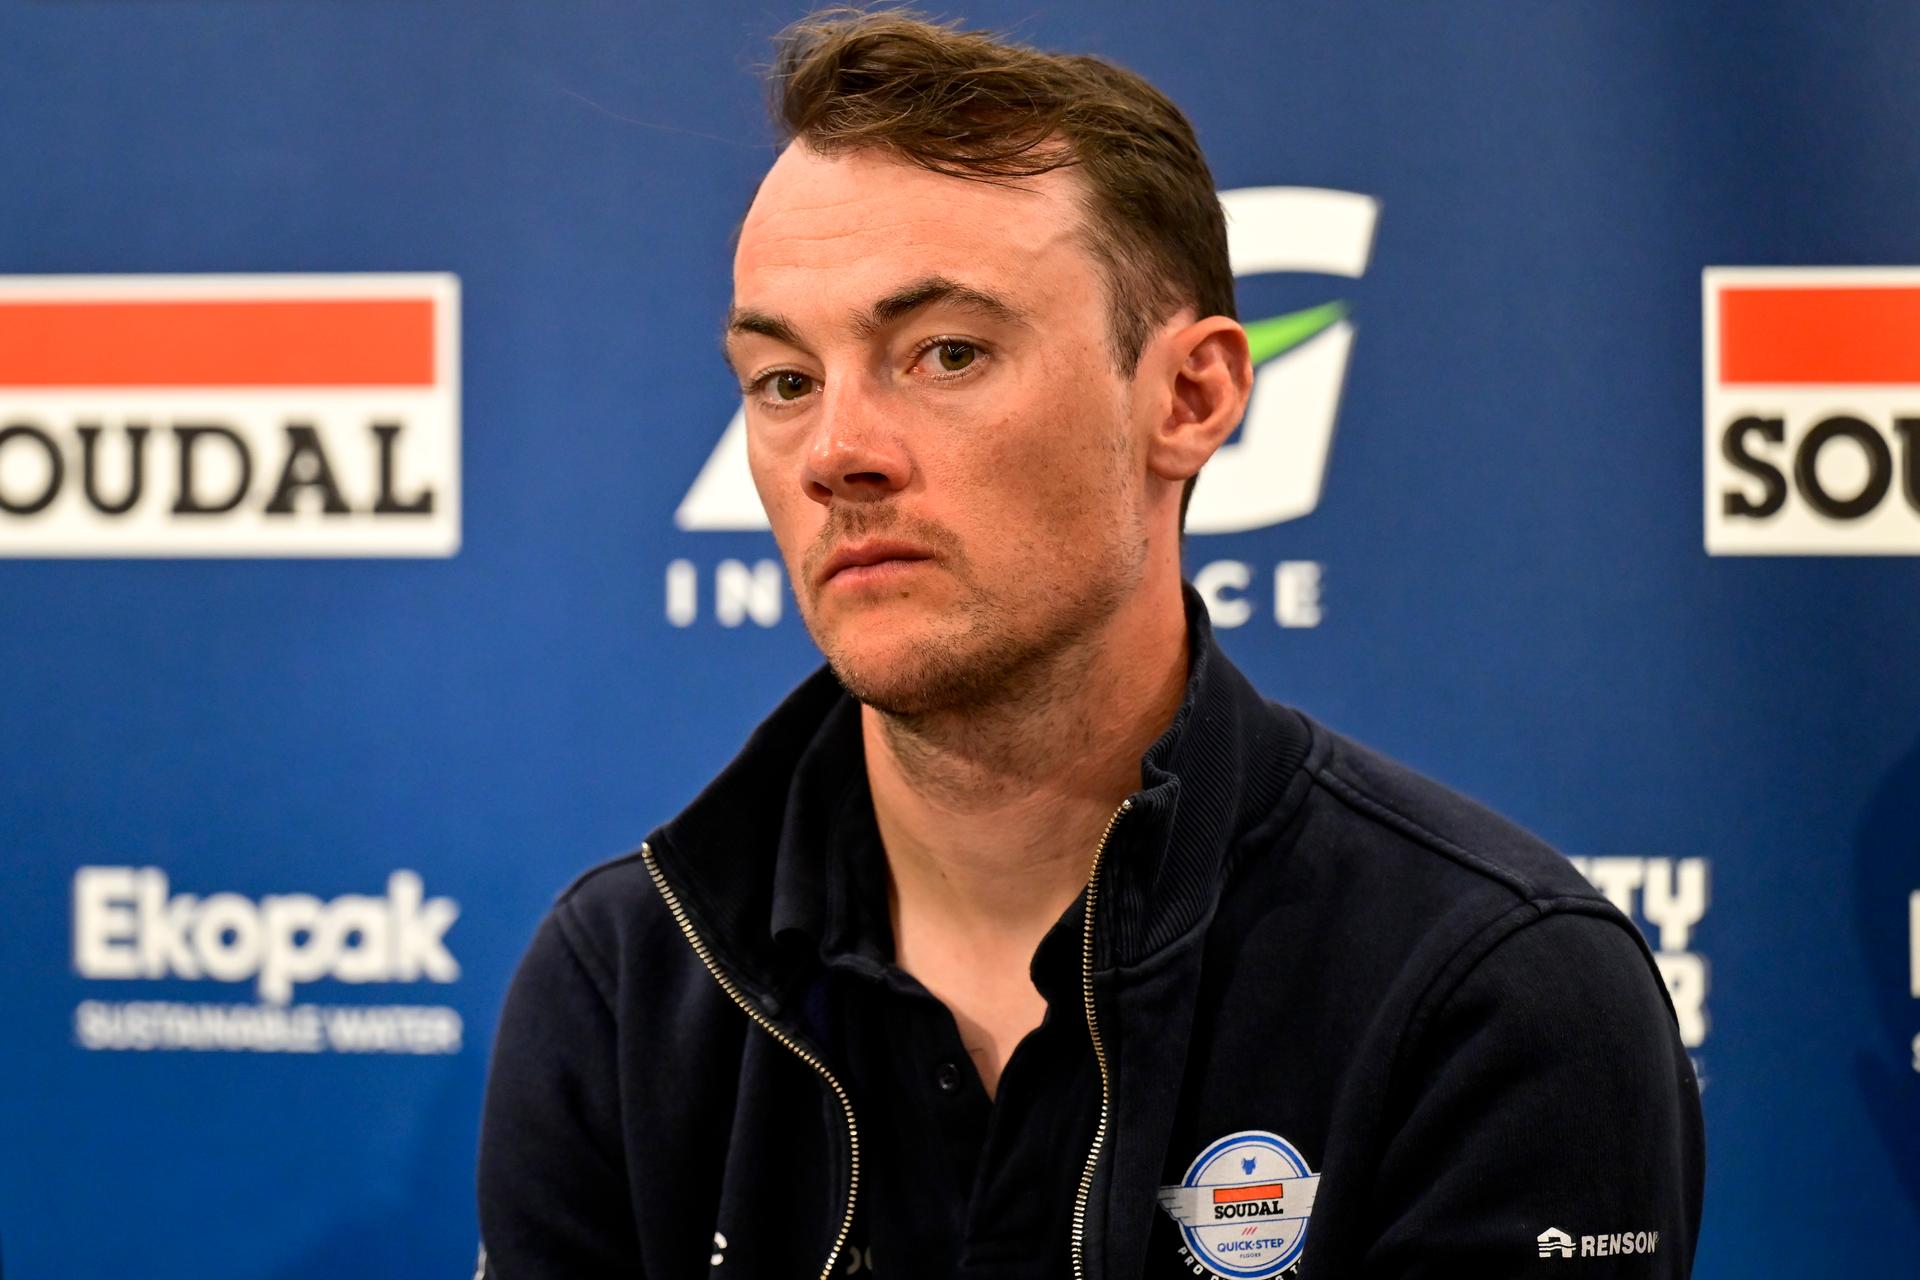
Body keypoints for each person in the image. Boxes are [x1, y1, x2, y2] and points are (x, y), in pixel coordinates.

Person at [477, 11, 1704, 1278]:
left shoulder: (1490, 991)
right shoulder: (627, 980)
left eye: (944, 352)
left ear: (1191, 395)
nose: (837, 450)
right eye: (784, 378)